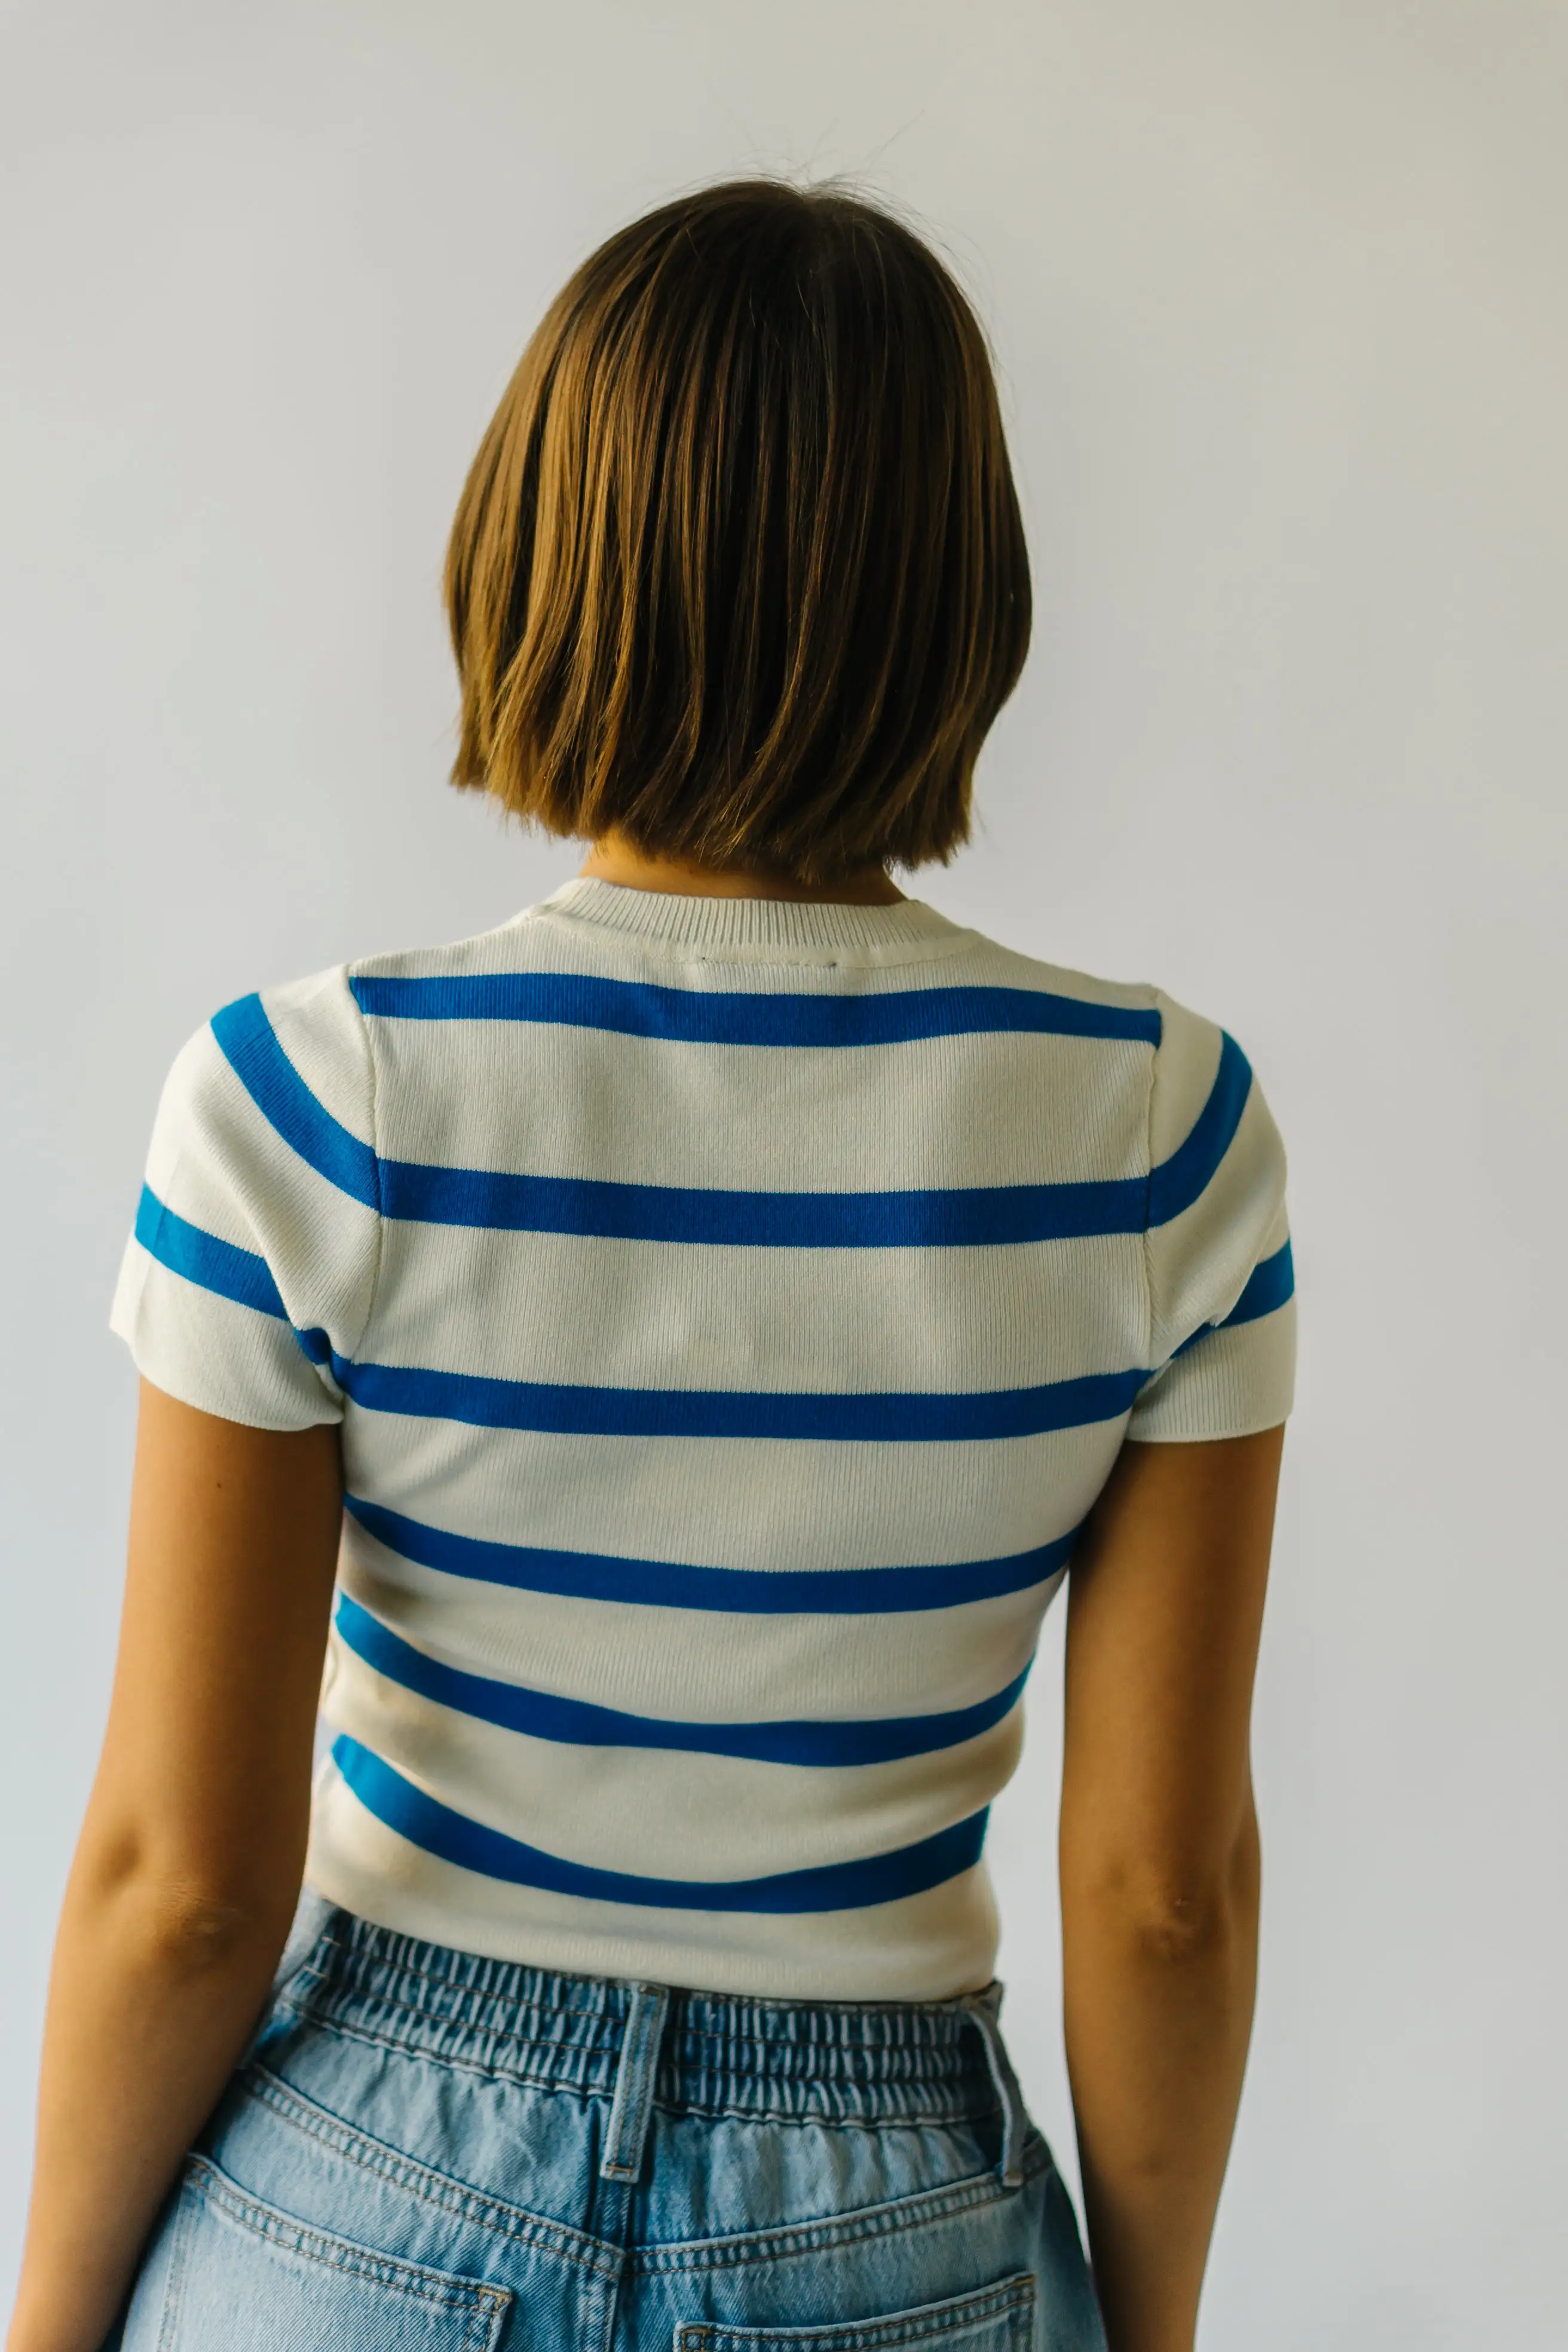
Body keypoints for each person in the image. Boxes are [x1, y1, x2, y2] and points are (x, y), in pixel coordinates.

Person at [8, 180, 1294, 2352]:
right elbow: (1161, 1903)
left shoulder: (313, 1097)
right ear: (964, 600)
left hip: (363, 2197)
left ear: (538, 553)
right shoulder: (1159, 1133)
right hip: (890, 2211)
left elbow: (185, 1883)